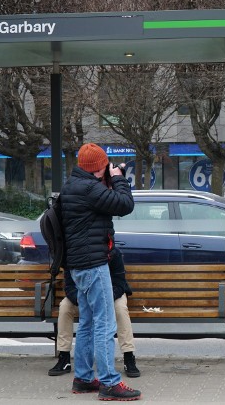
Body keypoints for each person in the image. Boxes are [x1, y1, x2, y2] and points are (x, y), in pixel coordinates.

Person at [60, 143, 140, 401]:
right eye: (105, 164)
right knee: (105, 324)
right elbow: (125, 204)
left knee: (88, 323)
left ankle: (83, 377)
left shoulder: (73, 185)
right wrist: (118, 179)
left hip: (79, 266)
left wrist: (110, 177)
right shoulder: (89, 188)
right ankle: (109, 382)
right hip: (94, 265)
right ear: (99, 167)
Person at [48, 249, 140, 378]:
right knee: (65, 307)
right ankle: (64, 356)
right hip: (83, 296)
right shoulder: (74, 254)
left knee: (120, 309)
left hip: (112, 295)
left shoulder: (113, 254)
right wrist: (83, 300)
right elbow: (69, 287)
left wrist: (103, 300)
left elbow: (120, 283)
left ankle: (129, 356)